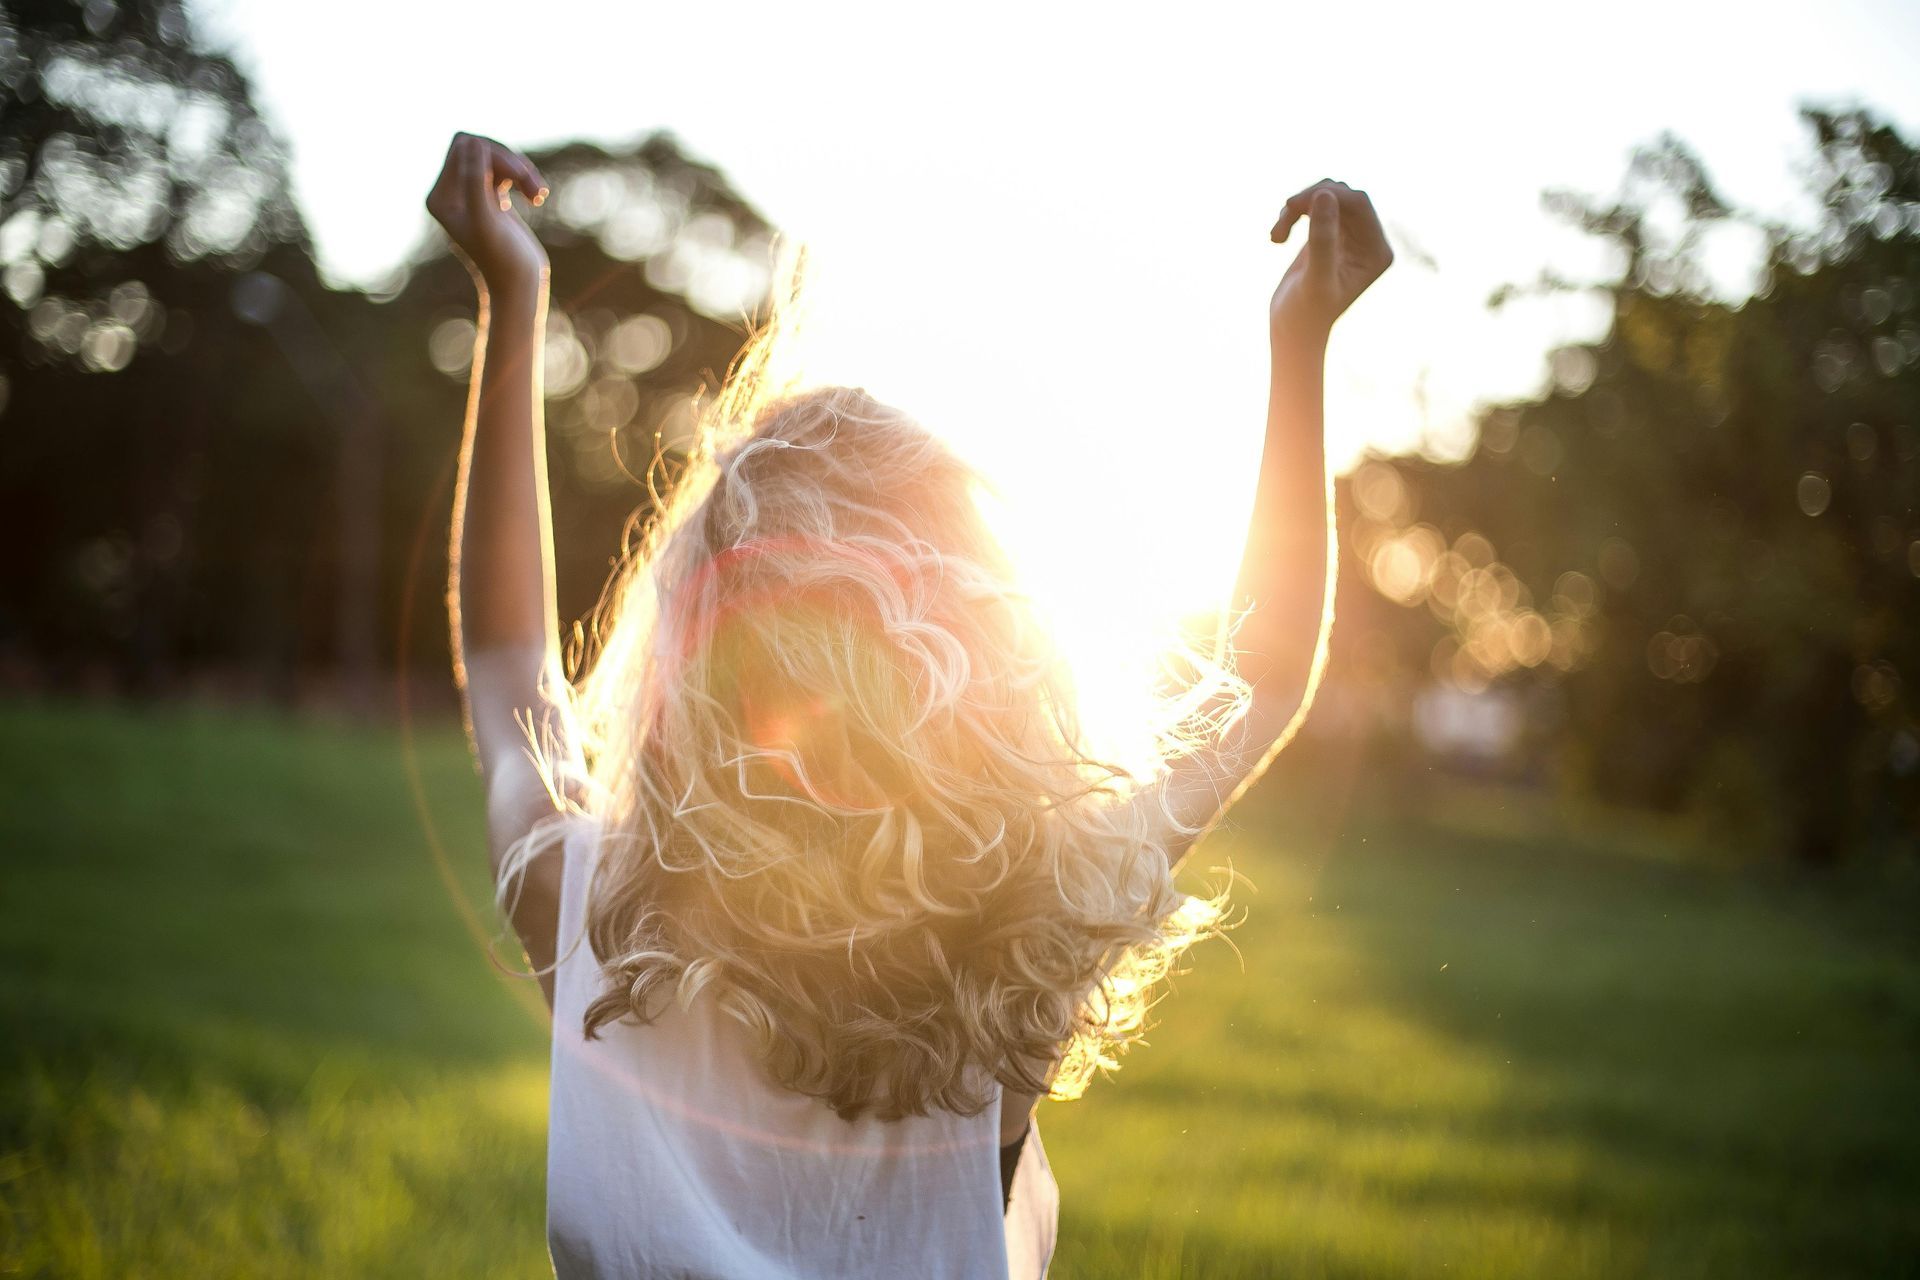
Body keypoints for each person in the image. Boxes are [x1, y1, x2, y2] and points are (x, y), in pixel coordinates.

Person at [425, 131, 1391, 1279]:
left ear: (692, 658)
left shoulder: (590, 908)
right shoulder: (1025, 933)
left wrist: (513, 294)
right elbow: (1262, 672)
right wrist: (1302, 343)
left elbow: (509, 662)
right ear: (978, 656)